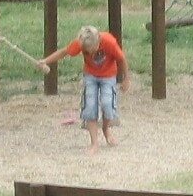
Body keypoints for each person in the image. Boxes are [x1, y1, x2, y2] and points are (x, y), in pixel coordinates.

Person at [37, 25, 129, 153]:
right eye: (87, 50)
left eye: (92, 49)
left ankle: (105, 128)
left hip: (108, 76)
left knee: (108, 106)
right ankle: (94, 143)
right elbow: (64, 52)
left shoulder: (109, 42)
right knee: (90, 106)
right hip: (90, 76)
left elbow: (121, 59)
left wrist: (126, 79)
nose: (90, 53)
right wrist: (45, 61)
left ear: (98, 42)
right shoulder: (80, 43)